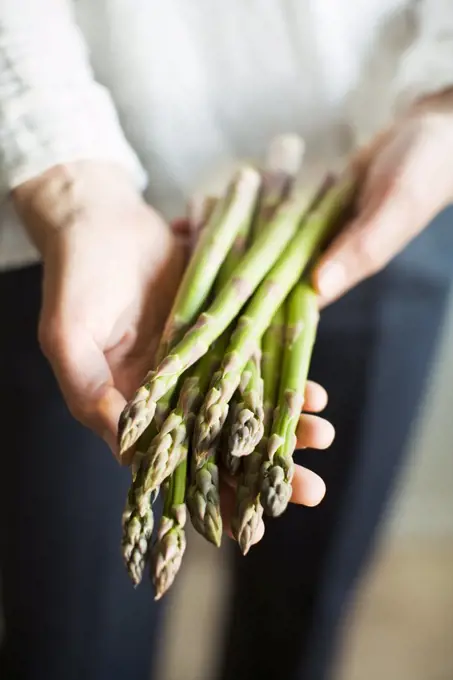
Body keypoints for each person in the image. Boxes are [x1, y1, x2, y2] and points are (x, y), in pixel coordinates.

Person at [1, 1, 453, 679]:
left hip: (383, 153)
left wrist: (444, 106)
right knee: (71, 643)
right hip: (75, 195)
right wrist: (66, 173)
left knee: (305, 607)